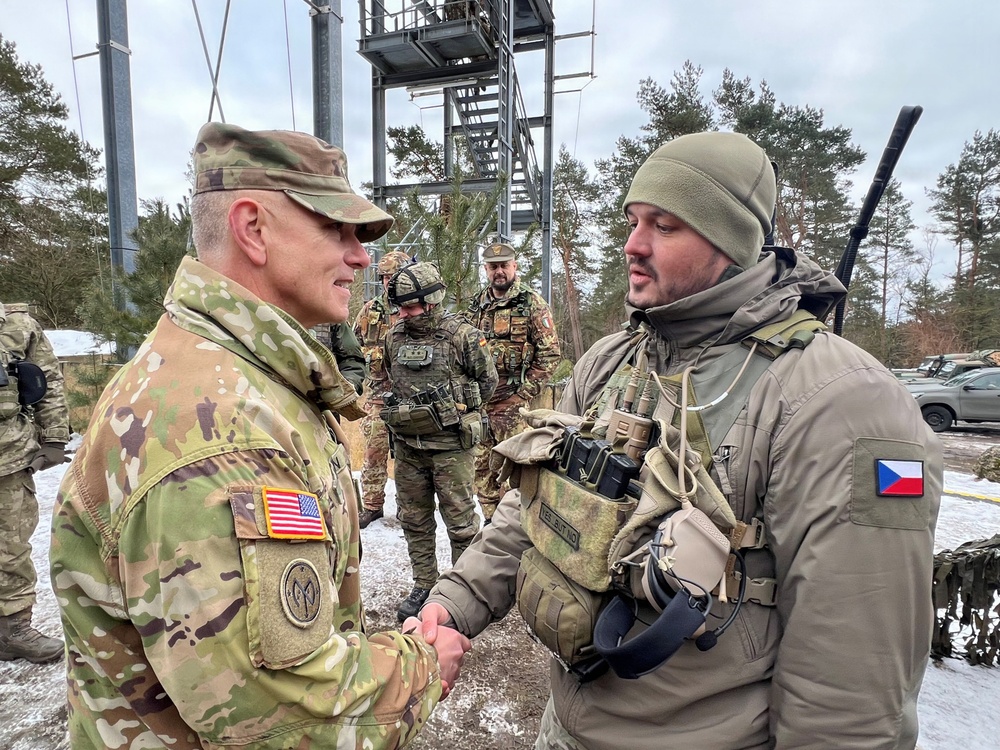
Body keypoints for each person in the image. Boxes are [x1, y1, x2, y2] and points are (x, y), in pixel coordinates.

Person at [413, 131, 943, 749]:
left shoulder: (840, 401)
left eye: (664, 226)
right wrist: (453, 602)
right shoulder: (613, 362)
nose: (632, 245)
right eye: (634, 221)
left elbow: (852, 683)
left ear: (730, 241)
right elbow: (534, 505)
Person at [49, 122, 471, 749]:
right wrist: (419, 666)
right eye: (336, 229)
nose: (360, 256)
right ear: (252, 228)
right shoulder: (222, 431)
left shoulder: (232, 377)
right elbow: (282, 719)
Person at [381, 261, 497, 622]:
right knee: (414, 520)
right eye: (399, 307)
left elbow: (488, 382)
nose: (403, 314)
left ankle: (465, 591)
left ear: (431, 302)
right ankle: (425, 585)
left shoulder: (463, 336)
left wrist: (458, 404)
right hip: (408, 448)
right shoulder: (393, 338)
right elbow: (391, 380)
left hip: (451, 449)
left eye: (410, 307)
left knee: (461, 523)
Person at [468, 242, 560, 523]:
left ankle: (519, 526)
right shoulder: (477, 305)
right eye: (493, 267)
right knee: (481, 470)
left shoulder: (531, 304)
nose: (499, 272)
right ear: (486, 269)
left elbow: (550, 355)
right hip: (480, 406)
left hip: (513, 409)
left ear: (514, 267)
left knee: (519, 472)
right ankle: (490, 522)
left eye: (504, 266)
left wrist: (521, 396)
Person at [0, 302, 69, 663]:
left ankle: (12, 628)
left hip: (6, 456)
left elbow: (48, 379)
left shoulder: (17, 324)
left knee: (10, 547)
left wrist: (55, 439)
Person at [352, 250, 412, 528]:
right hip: (378, 396)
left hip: (411, 397)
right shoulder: (370, 311)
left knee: (408, 454)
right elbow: (351, 347)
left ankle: (407, 506)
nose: (389, 282)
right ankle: (372, 506)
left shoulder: (415, 309)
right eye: (385, 277)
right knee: (374, 452)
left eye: (394, 276)